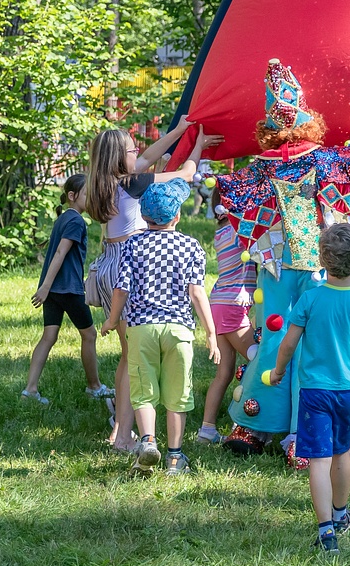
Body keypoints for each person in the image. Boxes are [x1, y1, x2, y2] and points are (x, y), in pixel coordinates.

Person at [86, 118, 220, 452]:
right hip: (130, 262)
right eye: (132, 149)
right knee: (132, 359)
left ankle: (121, 429)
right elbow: (186, 175)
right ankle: (122, 436)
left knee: (129, 354)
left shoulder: (104, 181)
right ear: (121, 157)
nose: (139, 153)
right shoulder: (131, 183)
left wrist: (179, 131)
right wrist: (198, 144)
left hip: (109, 262)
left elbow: (148, 156)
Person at [270, 224, 350, 554]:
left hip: (315, 390)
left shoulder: (311, 298)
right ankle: (340, 513)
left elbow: (288, 344)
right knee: (340, 453)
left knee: (318, 460)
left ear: (322, 257)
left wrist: (277, 371)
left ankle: (325, 530)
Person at [104, 178, 219, 476]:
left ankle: (148, 442)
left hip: (142, 328)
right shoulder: (192, 245)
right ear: (177, 215)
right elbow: (197, 292)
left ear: (143, 216)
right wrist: (210, 333)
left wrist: (113, 318)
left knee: (144, 392)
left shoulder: (133, 243)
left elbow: (122, 288)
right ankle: (175, 458)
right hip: (179, 330)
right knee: (177, 395)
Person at [23, 174, 112, 404]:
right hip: (67, 290)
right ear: (72, 196)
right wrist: (45, 287)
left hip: (54, 290)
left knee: (49, 336)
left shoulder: (63, 218)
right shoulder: (75, 221)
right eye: (86, 194)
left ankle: (30, 390)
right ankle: (94, 386)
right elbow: (61, 253)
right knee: (89, 334)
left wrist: (46, 287)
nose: (91, 198)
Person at [196, 202, 258, 445]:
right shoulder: (240, 230)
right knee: (259, 361)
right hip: (234, 306)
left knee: (224, 373)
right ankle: (246, 423)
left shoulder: (222, 230)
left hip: (219, 303)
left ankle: (207, 429)